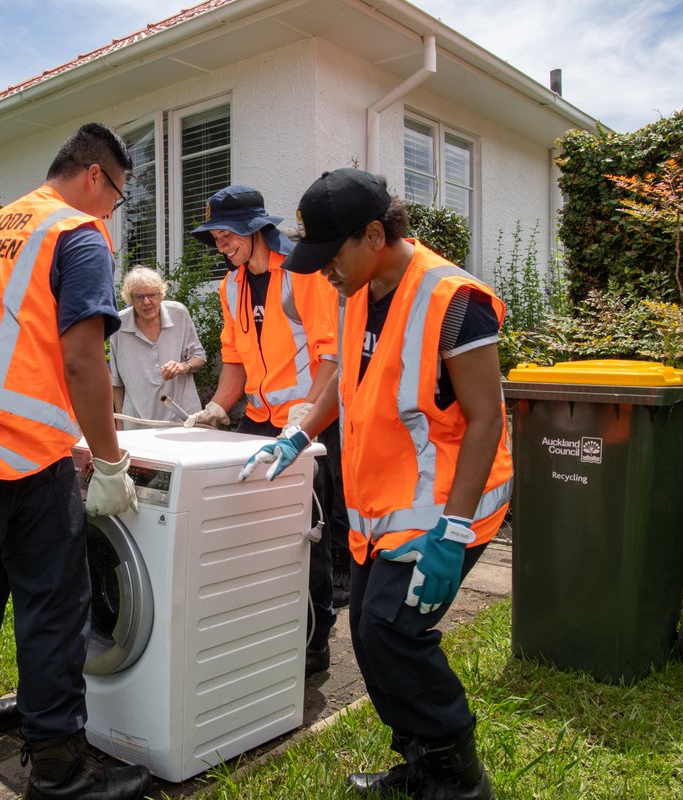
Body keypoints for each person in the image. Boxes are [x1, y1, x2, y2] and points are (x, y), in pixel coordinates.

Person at [241, 168, 512, 799]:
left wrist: (454, 530)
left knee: (392, 631)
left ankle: (460, 781)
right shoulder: (355, 290)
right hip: (381, 508)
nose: (323, 271)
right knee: (366, 632)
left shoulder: (455, 301)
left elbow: (486, 418)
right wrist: (299, 429)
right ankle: (422, 765)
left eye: (330, 255)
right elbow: (346, 378)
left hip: (445, 505)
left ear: (373, 235)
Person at [0, 122, 151, 800]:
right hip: (16, 447)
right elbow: (82, 358)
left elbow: (7, 339)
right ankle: (59, 767)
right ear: (96, 176)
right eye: (120, 195)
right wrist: (109, 463)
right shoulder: (78, 232)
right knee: (53, 600)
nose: (114, 211)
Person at [183, 184, 342, 677]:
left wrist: (307, 415)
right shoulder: (230, 286)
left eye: (227, 233)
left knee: (303, 532)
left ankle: (314, 641)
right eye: (213, 236)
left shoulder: (302, 272)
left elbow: (332, 355)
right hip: (258, 421)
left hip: (307, 423)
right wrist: (215, 407)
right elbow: (233, 359)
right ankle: (261, 622)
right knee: (253, 525)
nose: (220, 244)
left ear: (257, 228)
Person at [109, 266, 206, 428]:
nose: (147, 302)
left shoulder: (179, 314)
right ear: (130, 299)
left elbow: (200, 358)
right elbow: (116, 383)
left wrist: (183, 366)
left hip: (182, 418)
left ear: (161, 295)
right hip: (137, 422)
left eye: (152, 295)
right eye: (139, 297)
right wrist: (120, 426)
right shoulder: (118, 325)